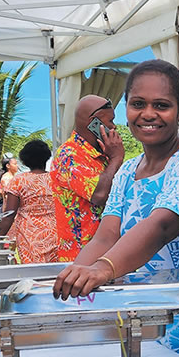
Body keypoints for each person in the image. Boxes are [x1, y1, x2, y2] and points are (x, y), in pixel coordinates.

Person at [53, 60, 179, 357]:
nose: (148, 114)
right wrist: (68, 287)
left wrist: (102, 270)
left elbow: (161, 225)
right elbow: (105, 237)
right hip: (150, 322)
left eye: (161, 105)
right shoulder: (126, 172)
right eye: (138, 104)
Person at [50, 95, 125, 262]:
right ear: (94, 123)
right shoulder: (69, 155)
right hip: (82, 257)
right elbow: (99, 195)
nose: (113, 127)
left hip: (104, 253)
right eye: (110, 121)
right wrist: (117, 158)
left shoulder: (100, 155)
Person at [0, 140, 57, 263]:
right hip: (54, 233)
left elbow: (9, 215)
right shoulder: (56, 179)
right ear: (46, 157)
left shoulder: (18, 181)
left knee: (33, 275)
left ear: (25, 160)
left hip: (29, 236)